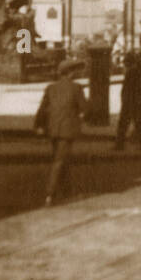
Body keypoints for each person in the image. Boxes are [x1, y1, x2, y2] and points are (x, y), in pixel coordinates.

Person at [34, 58, 87, 206]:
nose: (75, 73)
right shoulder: (76, 88)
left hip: (52, 128)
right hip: (67, 129)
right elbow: (84, 108)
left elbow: (42, 108)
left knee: (61, 158)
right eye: (74, 71)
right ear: (69, 73)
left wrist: (38, 125)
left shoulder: (51, 88)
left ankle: (67, 192)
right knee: (59, 161)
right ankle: (49, 194)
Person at [114, 51, 141, 151]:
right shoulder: (135, 71)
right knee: (138, 122)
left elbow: (128, 88)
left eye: (125, 62)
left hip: (129, 101)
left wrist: (124, 99)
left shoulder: (131, 72)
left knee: (123, 123)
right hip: (134, 101)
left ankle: (119, 144)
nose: (124, 64)